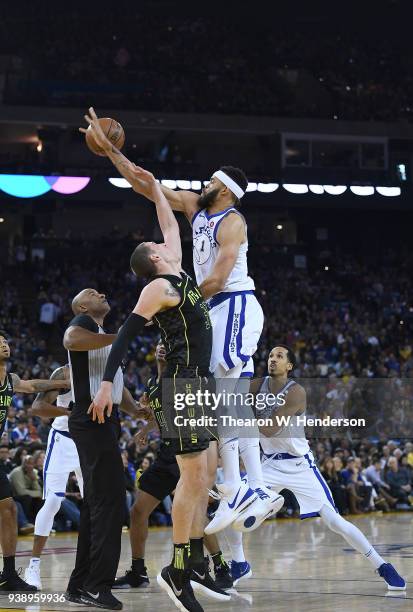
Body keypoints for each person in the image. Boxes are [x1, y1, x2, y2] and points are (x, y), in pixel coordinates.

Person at [89, 160, 226, 612]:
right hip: (182, 384)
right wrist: (107, 383)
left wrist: (128, 164)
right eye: (151, 244)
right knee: (191, 477)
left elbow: (165, 212)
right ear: (152, 258)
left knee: (205, 475)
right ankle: (178, 569)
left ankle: (185, 568)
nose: (156, 239)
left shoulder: (179, 269)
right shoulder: (159, 288)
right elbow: (126, 334)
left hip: (200, 382)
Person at [251, 344, 406, 591]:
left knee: (335, 522)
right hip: (268, 464)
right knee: (234, 509)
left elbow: (270, 428)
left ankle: (382, 565)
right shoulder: (255, 386)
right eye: (270, 355)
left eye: (279, 356)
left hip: (300, 466)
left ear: (289, 366)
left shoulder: (296, 392)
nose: (272, 359)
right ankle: (234, 564)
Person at [113, 343, 233, 594]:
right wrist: (146, 428)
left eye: (167, 346)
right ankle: (138, 571)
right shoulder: (153, 385)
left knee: (194, 512)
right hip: (166, 454)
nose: (161, 349)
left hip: (187, 451)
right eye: (158, 345)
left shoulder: (182, 379)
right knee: (137, 511)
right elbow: (159, 414)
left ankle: (219, 565)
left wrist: (217, 449)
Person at [63, 289, 139, 610]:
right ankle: (97, 585)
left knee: (97, 506)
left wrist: (139, 411)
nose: (103, 293)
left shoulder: (99, 337)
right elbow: (70, 339)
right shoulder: (83, 324)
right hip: (92, 418)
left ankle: (80, 585)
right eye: (94, 293)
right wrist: (118, 337)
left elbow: (115, 386)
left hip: (103, 419)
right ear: (82, 306)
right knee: (109, 504)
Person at [0, 329, 70, 591]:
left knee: (8, 510)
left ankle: (8, 574)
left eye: (6, 341)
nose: (5, 345)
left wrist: (62, 385)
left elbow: (30, 386)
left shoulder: (10, 378)